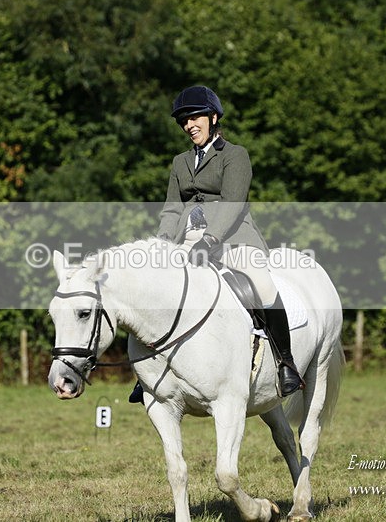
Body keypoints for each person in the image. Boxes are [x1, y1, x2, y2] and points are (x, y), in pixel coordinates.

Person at [129, 85, 303, 403]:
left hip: (234, 237)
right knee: (154, 286)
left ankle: (285, 363)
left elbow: (233, 202)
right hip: (189, 240)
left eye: (195, 117)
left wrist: (210, 239)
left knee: (261, 284)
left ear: (212, 117)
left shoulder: (235, 156)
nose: (189, 125)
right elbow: (172, 208)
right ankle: (148, 375)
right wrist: (164, 243)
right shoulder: (180, 162)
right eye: (184, 121)